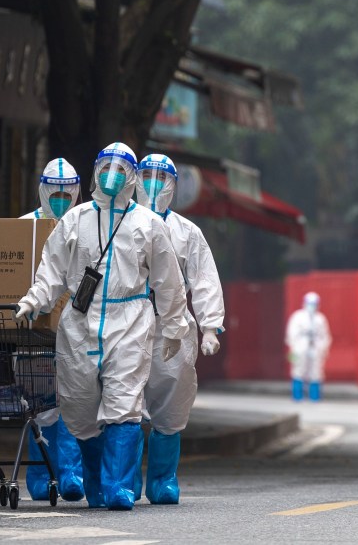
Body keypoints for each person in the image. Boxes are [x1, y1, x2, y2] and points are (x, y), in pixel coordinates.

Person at [13, 142, 191, 511]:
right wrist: (34, 300)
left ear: (131, 177)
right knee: (79, 409)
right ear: (95, 171)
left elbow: (168, 282)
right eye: (106, 166)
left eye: (121, 168)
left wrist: (174, 327)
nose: (112, 174)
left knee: (124, 404)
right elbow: (52, 271)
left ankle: (119, 487)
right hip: (79, 323)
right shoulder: (74, 220)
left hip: (130, 322)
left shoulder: (148, 224)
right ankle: (95, 479)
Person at [134, 154, 225, 504]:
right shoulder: (120, 224)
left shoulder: (188, 232)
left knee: (171, 401)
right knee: (121, 401)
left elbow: (204, 280)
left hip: (172, 324)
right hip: (126, 319)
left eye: (162, 178)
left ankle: (162, 480)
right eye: (146, 176)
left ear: (174, 185)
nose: (154, 184)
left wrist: (211, 326)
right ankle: (121, 481)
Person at [18, 158, 85, 503]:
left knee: (75, 398)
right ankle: (41, 474)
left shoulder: (86, 225)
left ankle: (72, 472)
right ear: (42, 189)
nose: (60, 199)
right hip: (35, 329)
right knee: (41, 403)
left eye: (67, 193)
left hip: (76, 325)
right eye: (54, 193)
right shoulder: (23, 229)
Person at [286, 291, 332, 401]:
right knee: (298, 369)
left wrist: (324, 348)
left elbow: (325, 335)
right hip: (301, 346)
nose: (312, 306)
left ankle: (315, 396)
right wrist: (294, 347)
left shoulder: (320, 318)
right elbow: (291, 333)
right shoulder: (298, 316)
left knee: (316, 371)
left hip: (315, 346)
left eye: (314, 304)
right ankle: (297, 395)